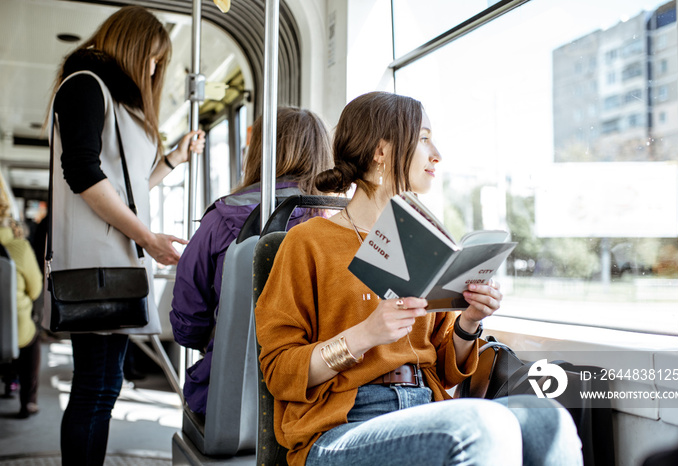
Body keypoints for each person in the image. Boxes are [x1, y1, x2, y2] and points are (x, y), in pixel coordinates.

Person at [255, 91, 584, 466]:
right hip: (342, 425)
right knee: (480, 425)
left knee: (549, 418)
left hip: (424, 405)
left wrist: (469, 322)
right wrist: (366, 335)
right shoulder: (308, 242)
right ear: (382, 151)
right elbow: (279, 372)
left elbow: (445, 371)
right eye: (424, 138)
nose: (436, 154)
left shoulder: (421, 243)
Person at [46, 6, 204, 465]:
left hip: (114, 260)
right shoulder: (84, 86)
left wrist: (172, 159)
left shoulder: (110, 98)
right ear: (134, 48)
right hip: (99, 263)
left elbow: (124, 187)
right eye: (153, 58)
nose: (154, 69)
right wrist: (149, 238)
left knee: (103, 385)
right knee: (95, 387)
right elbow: (83, 175)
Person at [170, 106, 333, 415]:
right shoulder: (337, 224)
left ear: (258, 152)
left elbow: (187, 322)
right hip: (317, 400)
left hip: (233, 399)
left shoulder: (221, 218)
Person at [0, 195, 43, 419]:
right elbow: (35, 290)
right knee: (30, 338)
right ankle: (28, 401)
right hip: (13, 328)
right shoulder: (19, 247)